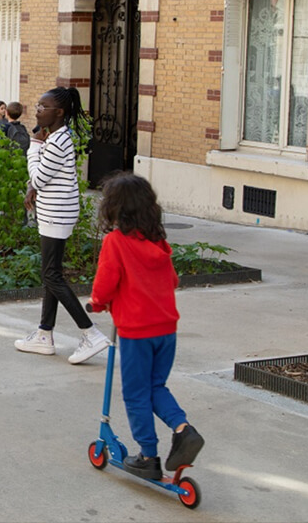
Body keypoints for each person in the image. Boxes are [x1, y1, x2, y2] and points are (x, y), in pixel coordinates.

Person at [89, 172, 205, 479]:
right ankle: (183, 429)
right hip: (167, 329)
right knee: (156, 387)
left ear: (114, 209)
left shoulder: (115, 242)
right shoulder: (159, 242)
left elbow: (105, 282)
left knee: (136, 393)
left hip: (136, 332)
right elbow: (173, 280)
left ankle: (148, 455)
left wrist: (98, 303)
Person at [14, 86, 110, 364]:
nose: (38, 110)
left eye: (44, 107)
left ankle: (91, 333)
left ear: (60, 112)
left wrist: (33, 146)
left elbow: (39, 177)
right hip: (55, 211)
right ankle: (45, 334)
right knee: (50, 273)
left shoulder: (57, 141)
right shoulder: (58, 137)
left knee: (52, 275)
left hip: (57, 214)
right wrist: (34, 183)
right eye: (38, 105)